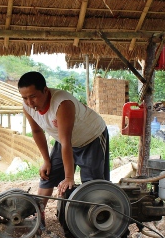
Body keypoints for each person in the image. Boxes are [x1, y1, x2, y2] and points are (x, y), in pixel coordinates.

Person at [18, 71, 110, 211]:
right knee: (48, 173)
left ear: (45, 90)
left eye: (33, 96)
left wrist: (68, 177)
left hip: (91, 137)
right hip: (63, 140)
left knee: (93, 185)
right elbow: (37, 132)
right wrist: (46, 161)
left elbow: (66, 140)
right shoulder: (28, 107)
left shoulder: (62, 103)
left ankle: (100, 217)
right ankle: (38, 212)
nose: (29, 102)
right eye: (25, 98)